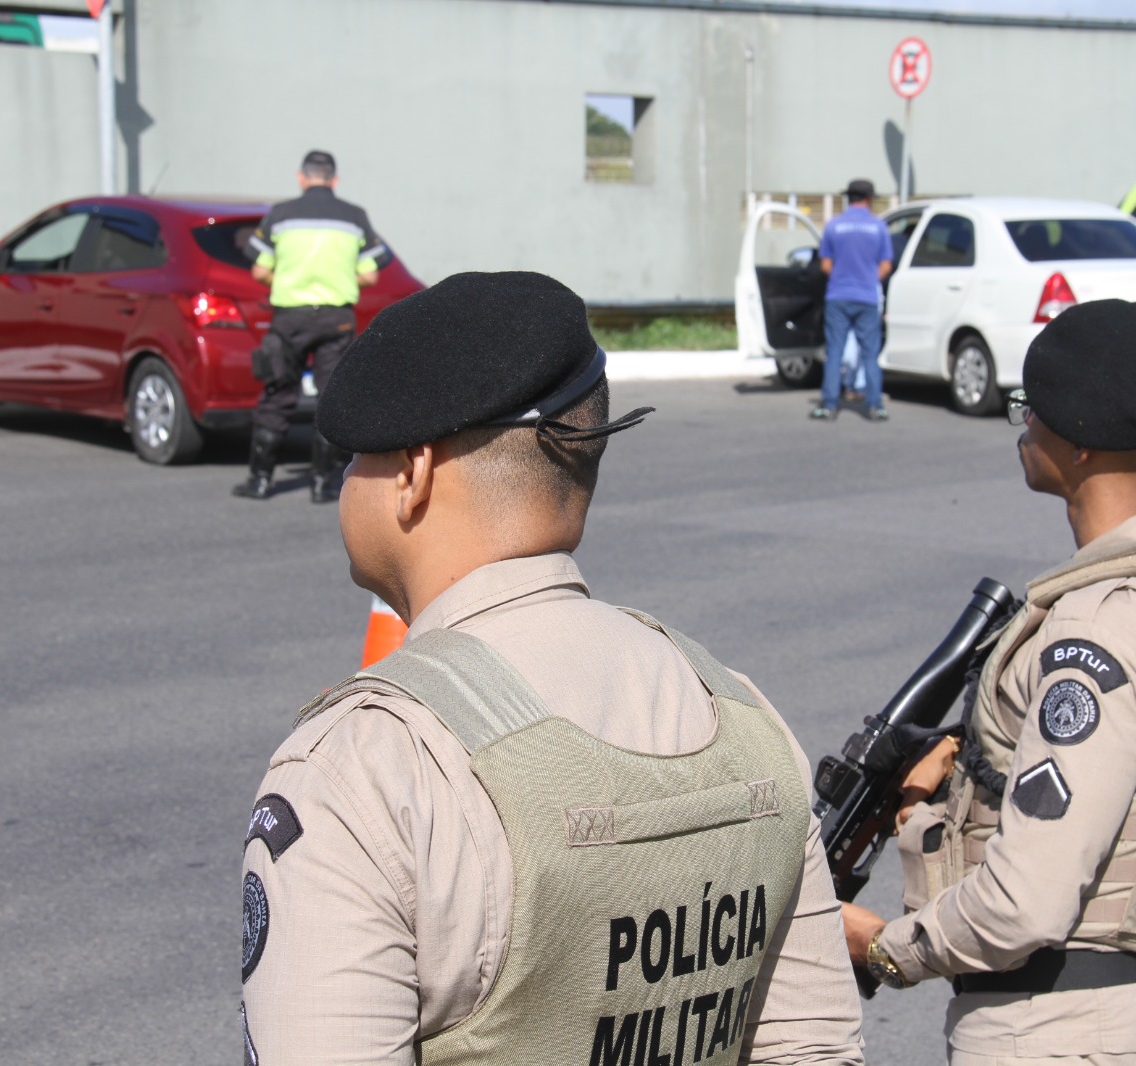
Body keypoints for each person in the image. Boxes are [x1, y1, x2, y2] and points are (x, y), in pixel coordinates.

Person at [238, 271, 865, 1065]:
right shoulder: (738, 712)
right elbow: (813, 1050)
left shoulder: (362, 768)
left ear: (412, 475)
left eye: (355, 457)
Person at [840, 299, 1136, 1066]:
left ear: (1080, 444)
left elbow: (1024, 903)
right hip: (1124, 1016)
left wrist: (881, 950)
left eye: (1031, 409)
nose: (1024, 427)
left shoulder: (1098, 629)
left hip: (1052, 1035)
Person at [233, 149, 391, 502]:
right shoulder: (354, 217)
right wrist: (338, 279)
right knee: (328, 397)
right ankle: (322, 484)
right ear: (334, 180)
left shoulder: (281, 214)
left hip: (290, 318)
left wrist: (287, 278)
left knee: (277, 394)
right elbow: (370, 273)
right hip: (336, 318)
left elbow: (259, 270)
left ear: (302, 178)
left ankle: (260, 481)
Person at [812, 179, 893, 422]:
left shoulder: (834, 226)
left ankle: (829, 405)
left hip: (838, 295)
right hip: (866, 297)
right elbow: (886, 265)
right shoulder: (878, 227)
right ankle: (875, 406)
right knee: (870, 354)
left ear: (849, 198)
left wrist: (842, 276)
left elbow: (825, 264)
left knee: (835, 352)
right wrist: (868, 278)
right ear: (869, 199)